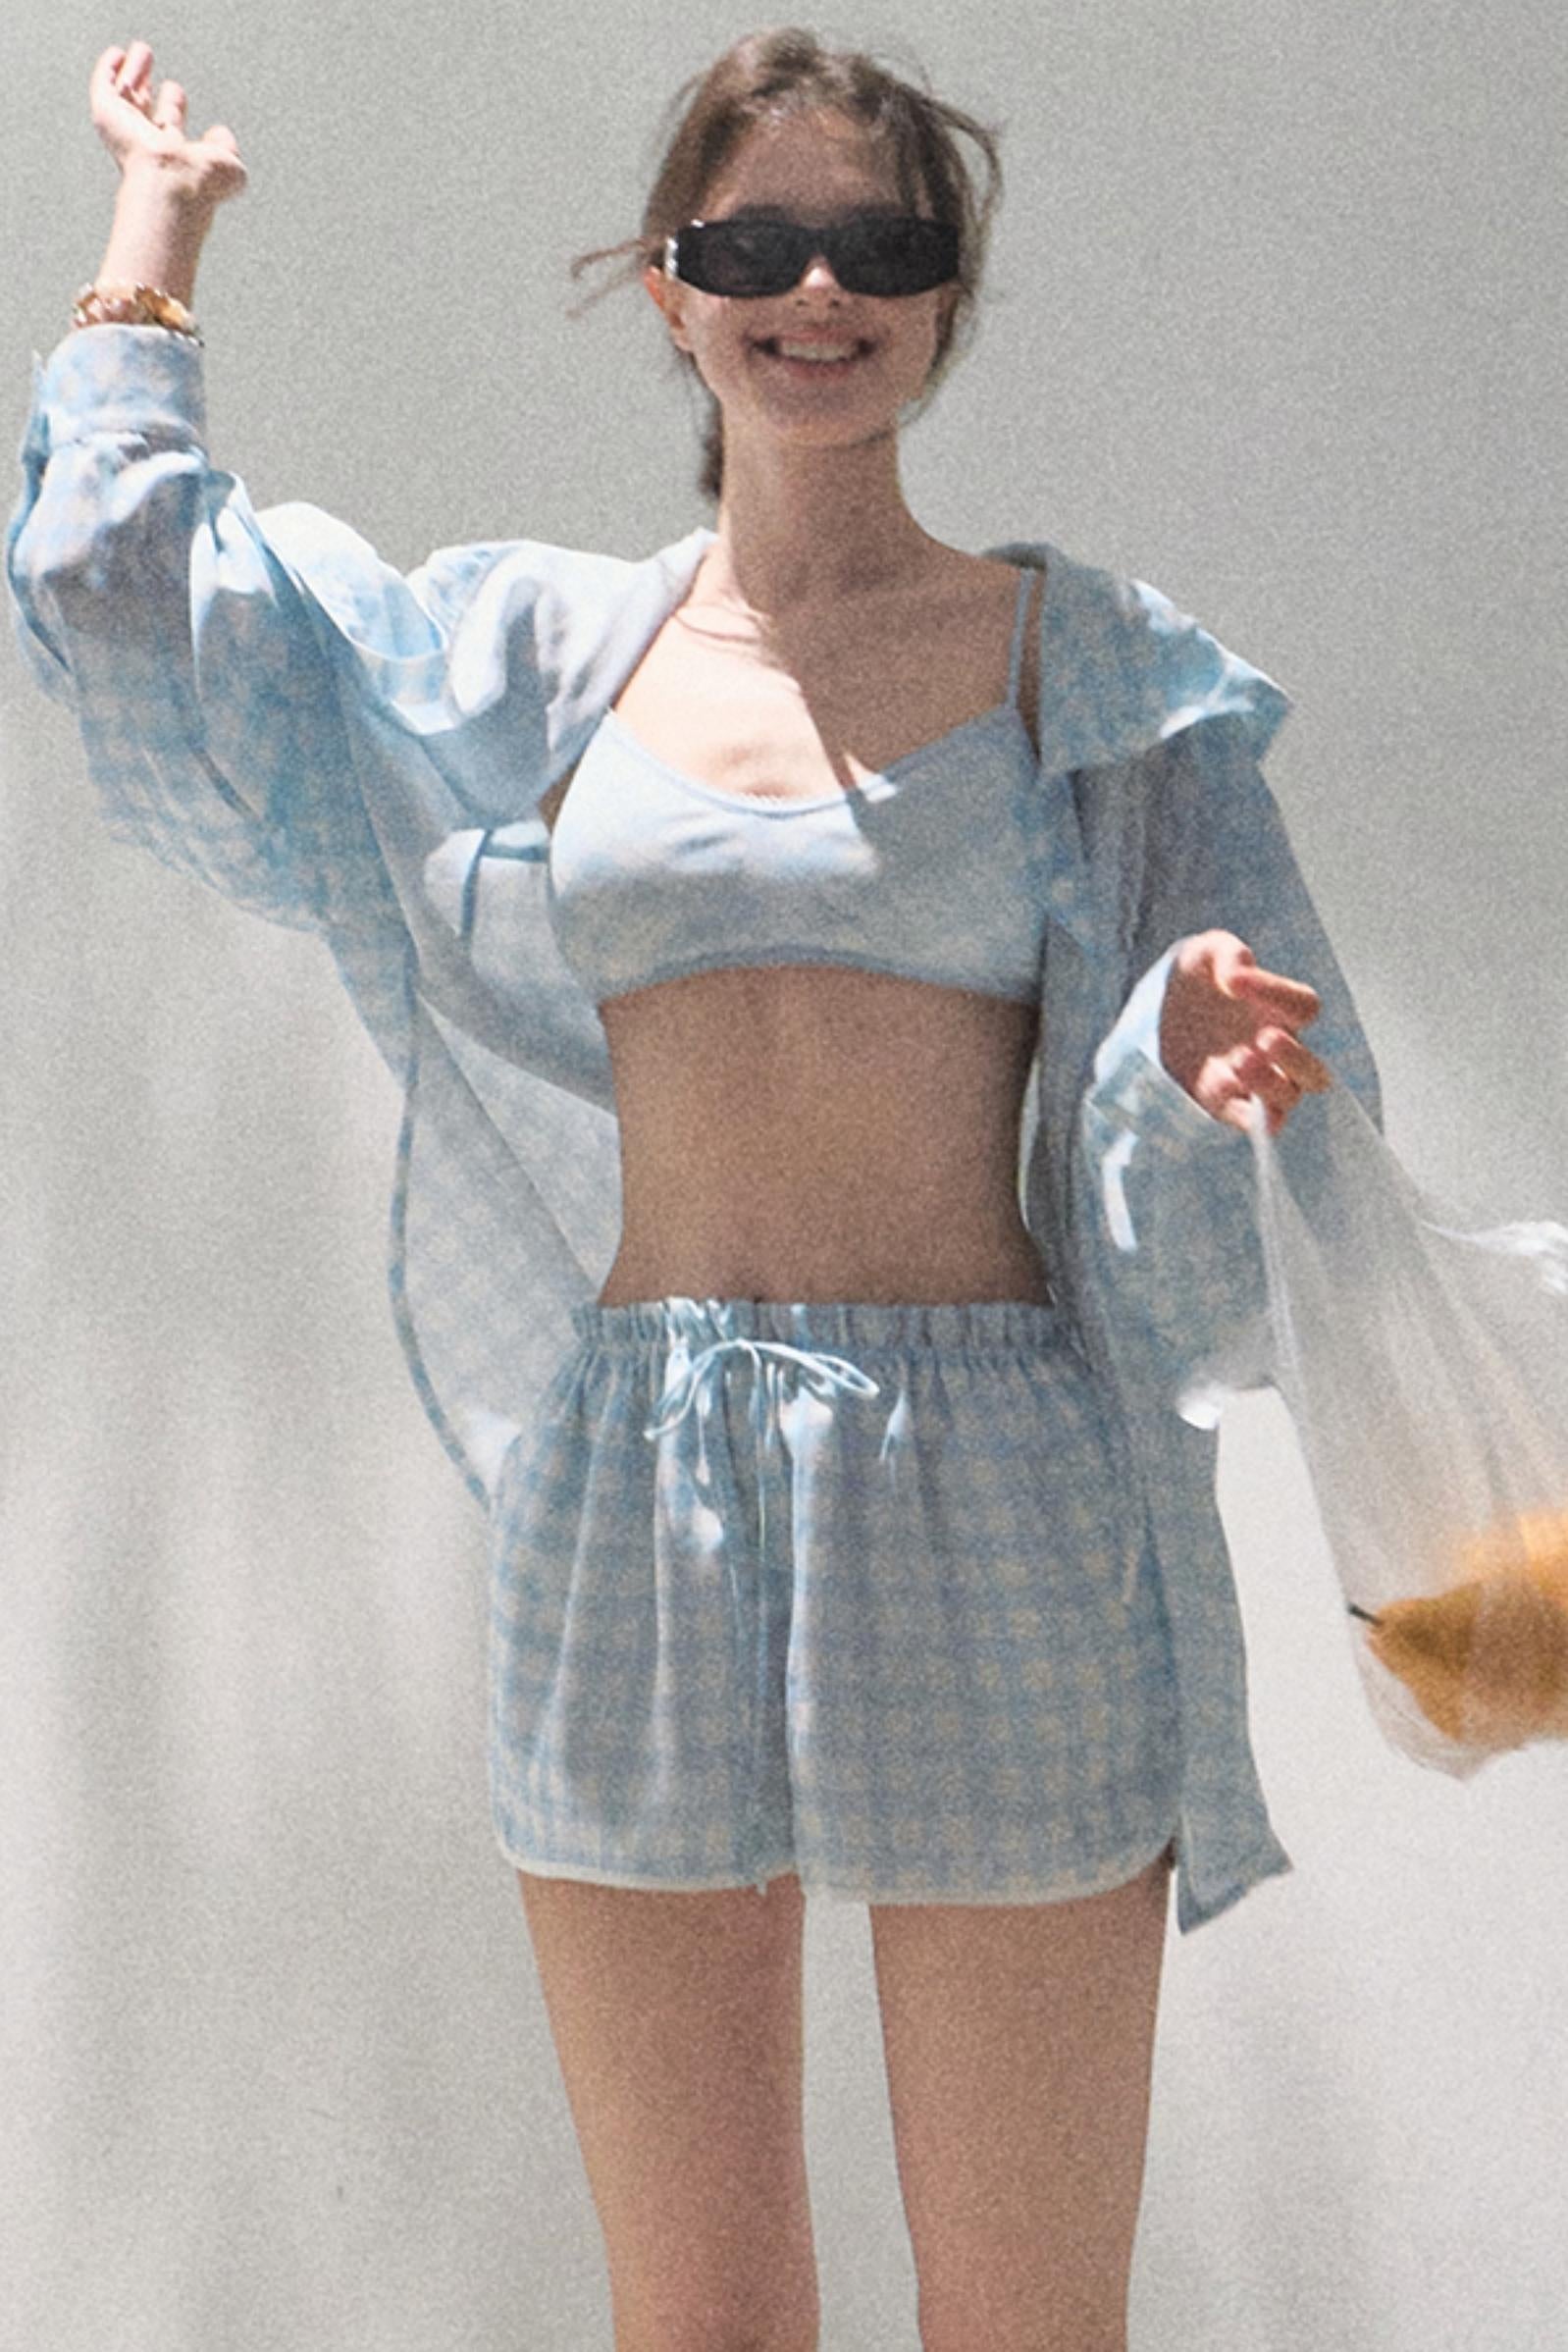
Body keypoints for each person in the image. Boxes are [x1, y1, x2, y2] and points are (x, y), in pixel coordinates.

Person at [8, 27, 1383, 2352]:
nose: (817, 288)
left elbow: (1243, 1203)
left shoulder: (1092, 674)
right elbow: (132, 594)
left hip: (1001, 1490)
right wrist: (160, 230)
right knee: (701, 2316)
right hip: (637, 1491)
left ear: (947, 294)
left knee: (1028, 2318)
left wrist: (1184, 1065)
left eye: (880, 241)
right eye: (754, 242)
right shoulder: (553, 651)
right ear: (668, 287)